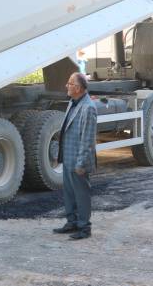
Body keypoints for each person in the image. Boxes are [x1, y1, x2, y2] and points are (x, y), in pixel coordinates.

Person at [52, 72, 97, 240]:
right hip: (68, 157)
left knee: (81, 194)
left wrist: (81, 164)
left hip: (78, 160)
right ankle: (72, 222)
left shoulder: (88, 108)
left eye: (70, 83)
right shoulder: (73, 103)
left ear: (78, 88)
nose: (66, 86)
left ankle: (84, 227)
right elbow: (66, 131)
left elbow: (87, 140)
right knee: (70, 193)